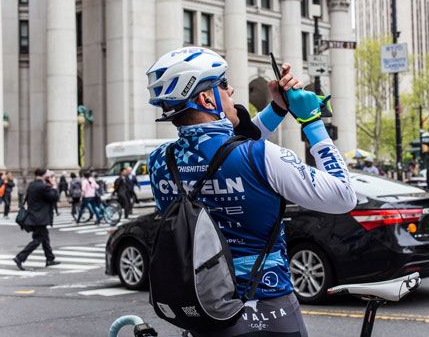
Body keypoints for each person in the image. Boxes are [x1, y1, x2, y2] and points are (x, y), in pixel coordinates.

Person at [146, 47, 356, 337]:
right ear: (206, 98)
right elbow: (343, 195)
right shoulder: (261, 155)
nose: (231, 89)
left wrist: (278, 109)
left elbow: (226, 150)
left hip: (205, 308)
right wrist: (312, 122)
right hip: (270, 307)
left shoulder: (158, 162)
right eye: (222, 84)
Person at [13, 168, 61, 270]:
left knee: (45, 238)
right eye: (48, 174)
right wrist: (54, 185)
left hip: (34, 216)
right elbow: (54, 197)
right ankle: (20, 257)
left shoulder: (33, 184)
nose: (50, 176)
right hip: (39, 218)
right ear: (44, 175)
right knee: (38, 240)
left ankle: (50, 258)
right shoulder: (42, 187)